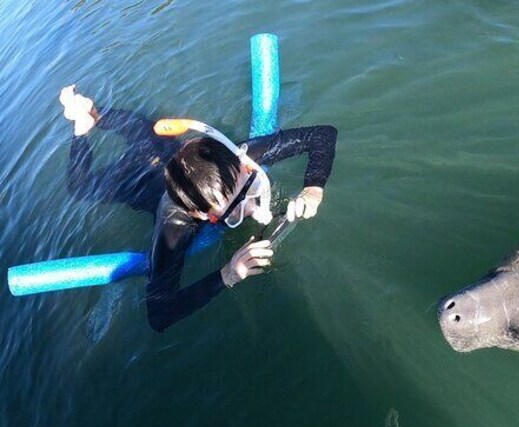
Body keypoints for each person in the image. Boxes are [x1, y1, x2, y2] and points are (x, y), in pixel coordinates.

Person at [59, 85, 337, 332]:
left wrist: (312, 189)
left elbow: (323, 136)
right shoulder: (174, 229)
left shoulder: (238, 158)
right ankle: (80, 129)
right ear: (203, 215)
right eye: (236, 209)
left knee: (146, 129)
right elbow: (158, 315)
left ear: (240, 167)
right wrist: (227, 274)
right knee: (79, 187)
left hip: (161, 144)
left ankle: (95, 113)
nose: (254, 205)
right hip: (135, 178)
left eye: (248, 186)